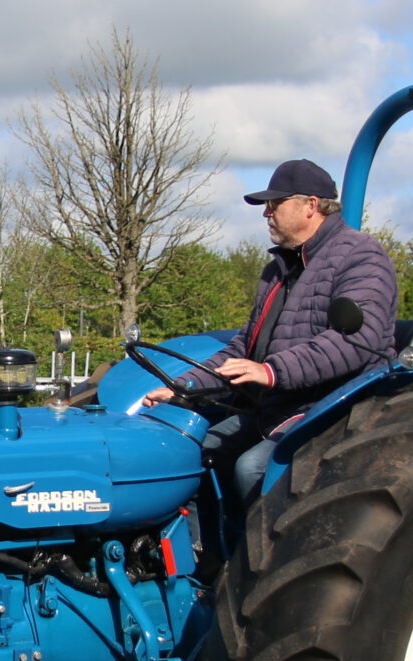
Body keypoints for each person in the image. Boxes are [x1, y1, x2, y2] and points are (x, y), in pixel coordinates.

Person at [140, 158, 398, 520]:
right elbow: (243, 348)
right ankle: (202, 551)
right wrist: (183, 387)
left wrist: (271, 371)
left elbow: (354, 340)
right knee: (188, 454)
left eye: (275, 204)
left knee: (253, 468)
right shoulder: (279, 270)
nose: (267, 213)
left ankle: (259, 556)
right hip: (277, 407)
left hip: (333, 407)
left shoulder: (360, 256)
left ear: (310, 205)